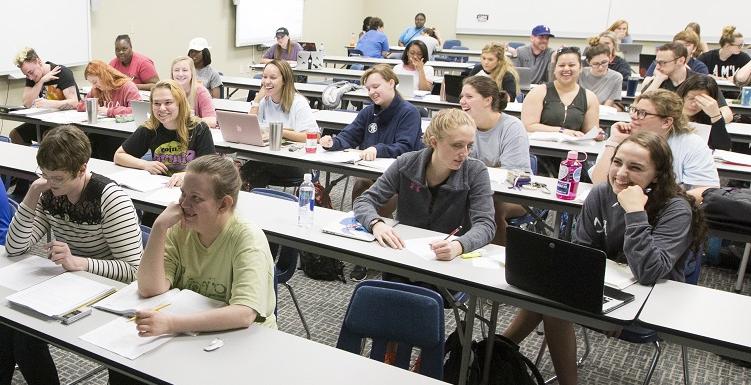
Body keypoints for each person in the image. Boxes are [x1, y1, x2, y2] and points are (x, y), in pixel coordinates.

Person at [504, 130, 706, 385]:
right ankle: (497, 350)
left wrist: (635, 212)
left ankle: (496, 350)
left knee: (554, 306)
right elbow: (583, 254)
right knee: (544, 292)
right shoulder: (601, 194)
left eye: (635, 168)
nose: (621, 173)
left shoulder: (675, 209)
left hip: (654, 302)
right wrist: (604, 303)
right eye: (617, 162)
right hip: (610, 291)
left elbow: (650, 272)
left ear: (657, 175)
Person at [109, 155, 276, 385]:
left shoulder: (247, 239)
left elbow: (244, 313)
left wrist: (172, 324)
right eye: (183, 195)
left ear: (224, 204)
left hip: (241, 340)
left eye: (195, 198)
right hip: (193, 333)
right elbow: (150, 288)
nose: (184, 205)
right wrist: (159, 227)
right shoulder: (181, 228)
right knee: (125, 372)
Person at [3, 125, 142, 385]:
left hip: (111, 292)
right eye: (44, 175)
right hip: (71, 286)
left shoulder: (110, 199)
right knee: (14, 328)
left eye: (57, 178)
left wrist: (79, 263)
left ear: (82, 170)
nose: (50, 183)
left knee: (124, 365)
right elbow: (15, 247)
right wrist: (32, 193)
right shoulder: (48, 193)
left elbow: (134, 270)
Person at [319, 64, 422, 281]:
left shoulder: (409, 113)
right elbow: (350, 135)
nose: (372, 92)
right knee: (361, 187)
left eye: (376, 86)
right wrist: (333, 142)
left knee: (373, 195)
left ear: (392, 82)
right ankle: (366, 248)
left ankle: (376, 252)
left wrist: (378, 149)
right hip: (371, 173)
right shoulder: (368, 112)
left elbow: (405, 146)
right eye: (368, 88)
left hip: (401, 178)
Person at [353, 108, 495, 260]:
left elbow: (485, 224)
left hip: (449, 259)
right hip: (404, 250)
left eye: (469, 146)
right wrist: (376, 224)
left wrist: (459, 245)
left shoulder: (475, 171)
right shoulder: (406, 163)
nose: (465, 153)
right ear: (434, 142)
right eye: (457, 145)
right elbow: (364, 201)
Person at [590, 89, 720, 203]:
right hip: (616, 206)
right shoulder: (623, 136)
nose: (634, 117)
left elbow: (706, 190)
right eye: (634, 110)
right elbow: (599, 183)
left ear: (666, 122)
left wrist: (658, 203)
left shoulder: (692, 144)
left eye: (642, 113)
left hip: (667, 211)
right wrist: (614, 141)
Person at [460, 76, 529, 245]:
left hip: (516, 194)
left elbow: (512, 174)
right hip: (474, 188)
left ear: (488, 100)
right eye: (462, 96)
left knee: (490, 206)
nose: (462, 101)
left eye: (469, 97)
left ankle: (502, 260)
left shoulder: (512, 127)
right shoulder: (463, 125)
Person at [114, 80, 215, 188]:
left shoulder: (199, 128)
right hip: (160, 186)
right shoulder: (150, 128)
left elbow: (210, 169)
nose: (162, 108)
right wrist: (145, 164)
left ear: (180, 103)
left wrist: (188, 175)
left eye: (168, 102)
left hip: (190, 188)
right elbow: (118, 156)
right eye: (156, 103)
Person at [242, 59, 319, 188]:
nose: (266, 82)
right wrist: (256, 100)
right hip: (270, 158)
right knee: (258, 172)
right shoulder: (264, 100)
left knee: (255, 168)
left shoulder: (298, 102)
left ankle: (238, 185)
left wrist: (280, 132)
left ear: (284, 81)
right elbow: (249, 129)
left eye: (273, 77)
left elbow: (315, 137)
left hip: (296, 162)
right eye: (264, 77)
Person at [642, 43, 733, 123]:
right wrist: (657, 80)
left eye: (663, 63)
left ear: (681, 60)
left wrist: (714, 123)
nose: (657, 67)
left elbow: (727, 114)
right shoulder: (659, 81)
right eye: (656, 62)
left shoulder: (702, 82)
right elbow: (640, 107)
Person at [521, 46, 600, 137]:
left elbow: (590, 133)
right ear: (555, 69)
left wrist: (598, 135)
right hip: (539, 149)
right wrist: (561, 131)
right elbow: (528, 126)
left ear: (580, 68)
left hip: (574, 149)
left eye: (571, 65)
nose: (566, 69)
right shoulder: (538, 92)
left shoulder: (589, 97)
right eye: (561, 65)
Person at [10, 47, 80, 145]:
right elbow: (27, 103)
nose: (30, 77)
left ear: (38, 61)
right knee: (15, 134)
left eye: (31, 72)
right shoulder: (32, 77)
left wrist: (49, 104)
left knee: (48, 138)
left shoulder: (62, 72)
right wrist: (41, 81)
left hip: (67, 123)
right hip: (47, 121)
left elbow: (74, 102)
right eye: (26, 75)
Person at [76, 59, 142, 160]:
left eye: (95, 82)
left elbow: (136, 110)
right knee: (87, 141)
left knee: (104, 145)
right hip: (103, 130)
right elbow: (80, 105)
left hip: (122, 133)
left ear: (104, 76)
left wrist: (109, 111)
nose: (94, 86)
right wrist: (91, 105)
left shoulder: (127, 86)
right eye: (92, 83)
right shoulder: (97, 89)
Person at [676, 75, 732, 150]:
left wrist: (716, 116)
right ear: (682, 95)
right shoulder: (667, 113)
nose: (694, 104)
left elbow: (723, 148)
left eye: (701, 101)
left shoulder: (707, 116)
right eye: (691, 98)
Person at [171, 56, 217, 128]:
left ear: (192, 73)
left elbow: (212, 121)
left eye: (185, 70)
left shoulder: (201, 92)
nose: (180, 74)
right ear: (172, 73)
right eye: (176, 70)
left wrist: (192, 120)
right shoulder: (168, 91)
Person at [645, 30, 709, 76]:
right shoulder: (660, 62)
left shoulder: (700, 67)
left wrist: (688, 72)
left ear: (694, 48)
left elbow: (702, 87)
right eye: (678, 45)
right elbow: (647, 79)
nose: (682, 48)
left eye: (686, 45)